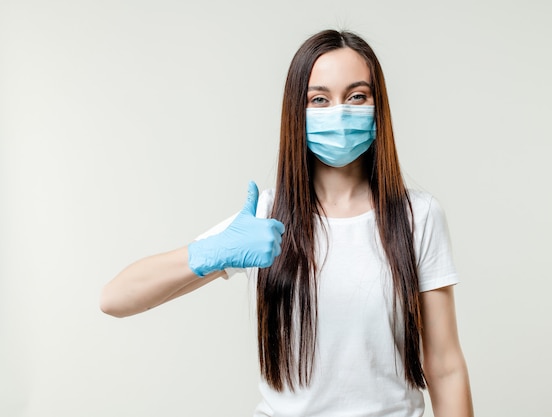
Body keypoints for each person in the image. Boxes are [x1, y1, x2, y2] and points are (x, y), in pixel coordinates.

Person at [101, 29, 473, 417]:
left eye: (357, 96)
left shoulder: (418, 216)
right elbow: (114, 299)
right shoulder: (264, 218)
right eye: (319, 99)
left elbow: (445, 367)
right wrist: (214, 252)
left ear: (379, 108)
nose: (340, 112)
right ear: (297, 112)